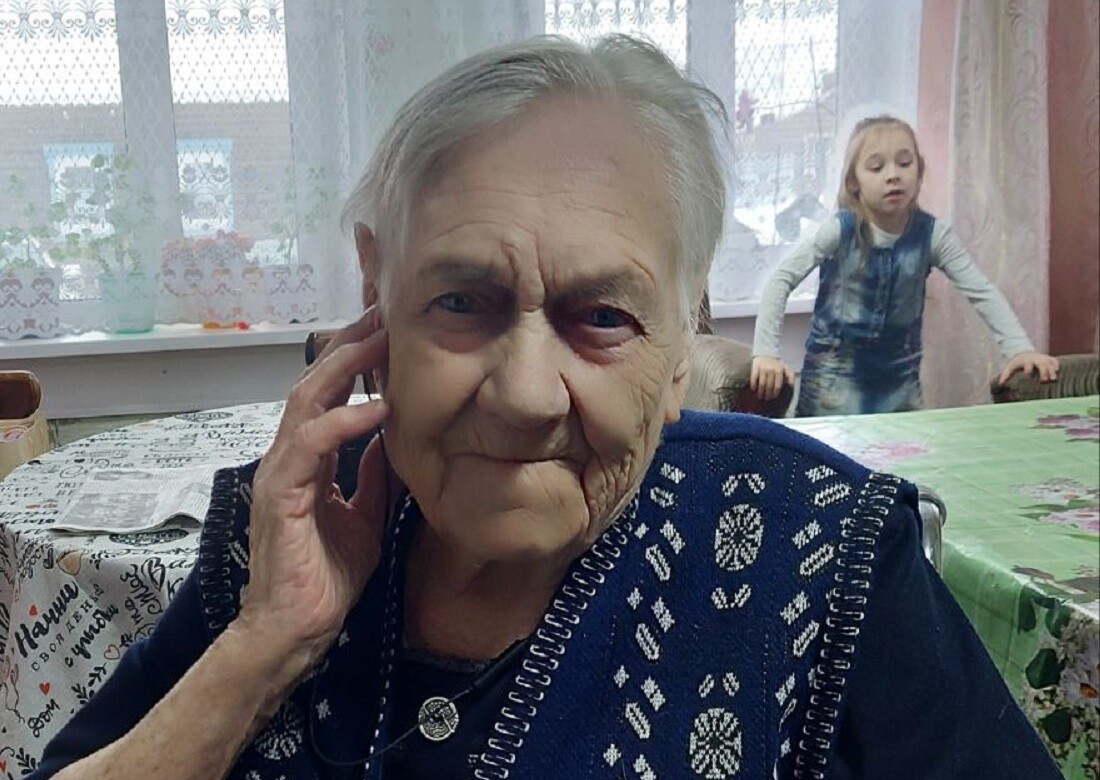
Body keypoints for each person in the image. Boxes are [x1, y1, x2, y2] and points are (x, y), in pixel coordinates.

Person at [31, 38, 1059, 780]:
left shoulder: (823, 551)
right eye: (460, 301)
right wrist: (264, 646)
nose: (525, 396)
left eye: (603, 317)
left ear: (681, 341)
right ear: (376, 292)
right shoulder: (286, 526)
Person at [749, 115, 1059, 416]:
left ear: (919, 173)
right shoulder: (839, 230)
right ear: (854, 182)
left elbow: (982, 291)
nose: (893, 175)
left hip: (901, 393)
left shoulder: (933, 235)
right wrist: (765, 353)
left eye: (904, 163)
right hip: (831, 391)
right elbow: (780, 279)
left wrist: (1019, 348)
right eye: (876, 167)